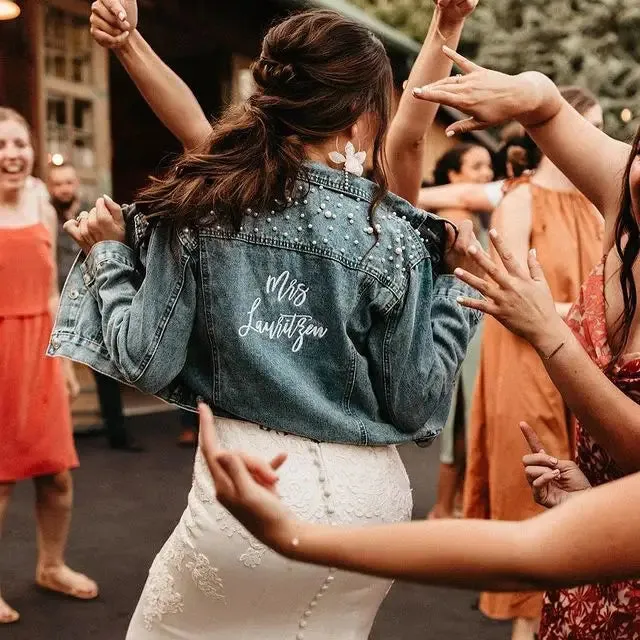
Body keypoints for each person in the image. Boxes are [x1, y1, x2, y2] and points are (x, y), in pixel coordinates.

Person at [51, 3, 482, 638]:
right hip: (376, 512)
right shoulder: (391, 234)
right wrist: (449, 290)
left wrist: (110, 257)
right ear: (365, 112)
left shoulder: (208, 204)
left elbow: (145, 356)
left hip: (249, 497)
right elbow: (418, 405)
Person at [414, 48, 640, 639]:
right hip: (597, 544)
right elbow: (547, 109)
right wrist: (531, 91)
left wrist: (549, 331)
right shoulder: (627, 206)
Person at [447, 85, 604, 639]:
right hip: (528, 361)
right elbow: (506, 292)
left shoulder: (596, 205)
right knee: (538, 504)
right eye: (588, 126)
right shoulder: (521, 200)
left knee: (589, 511)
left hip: (587, 368)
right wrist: (580, 314)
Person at [0, 107, 98, 624]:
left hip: (39, 344)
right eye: (1, 146)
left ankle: (51, 565)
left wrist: (63, 358)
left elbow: (49, 289)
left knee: (55, 474)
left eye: (19, 143)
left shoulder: (41, 197)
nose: (11, 155)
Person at [46, 162, 143, 452]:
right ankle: (55, 436)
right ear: (51, 188)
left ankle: (118, 434)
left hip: (89, 294)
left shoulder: (92, 214)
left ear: (76, 184)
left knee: (104, 365)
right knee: (51, 369)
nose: (63, 188)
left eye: (68, 182)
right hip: (53, 297)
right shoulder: (46, 216)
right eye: (58, 184)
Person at [427, 142, 494, 520]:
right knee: (463, 417)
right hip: (465, 319)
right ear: (453, 175)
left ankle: (451, 506)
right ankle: (444, 508)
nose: (486, 173)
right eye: (476, 166)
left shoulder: (473, 212)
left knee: (465, 416)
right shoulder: (456, 214)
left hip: (474, 319)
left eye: (488, 165)